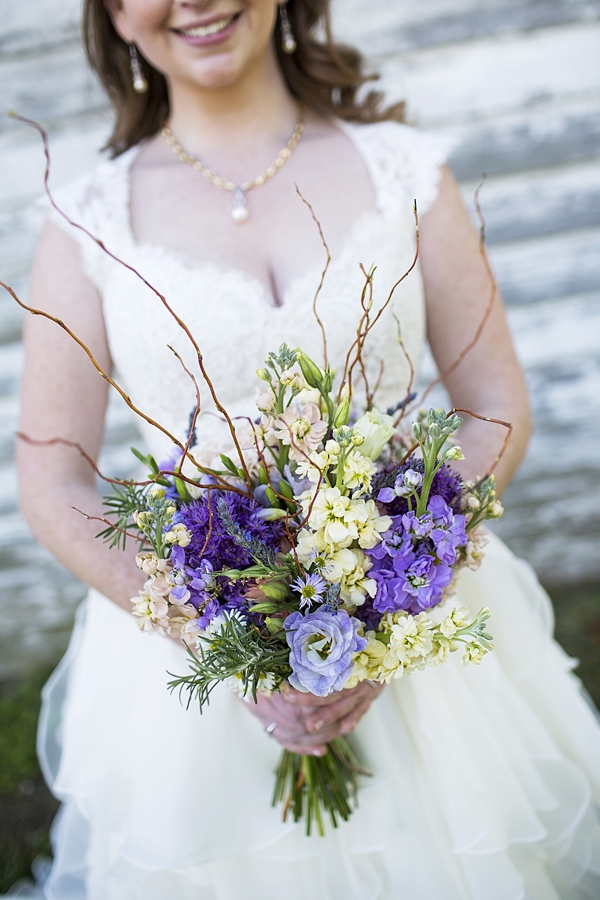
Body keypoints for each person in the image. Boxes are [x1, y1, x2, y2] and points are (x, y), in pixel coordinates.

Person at [16, 1, 600, 897]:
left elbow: (495, 405)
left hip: (419, 629)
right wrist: (219, 639)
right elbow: (53, 482)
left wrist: (395, 589)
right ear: (116, 16)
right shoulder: (87, 221)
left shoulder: (405, 171)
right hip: (192, 663)